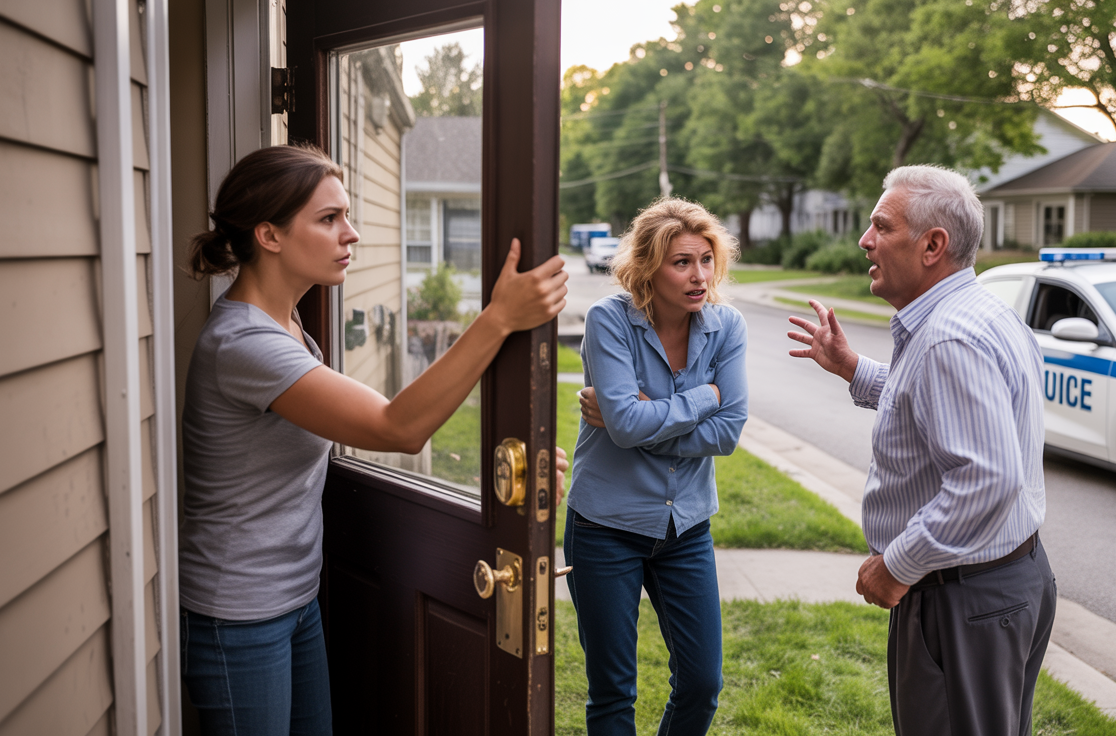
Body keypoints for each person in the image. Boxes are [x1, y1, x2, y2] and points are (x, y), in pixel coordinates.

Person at [180, 144, 569, 735]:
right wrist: (497, 319)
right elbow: (399, 427)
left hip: (293, 597)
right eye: (329, 218)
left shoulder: (285, 326)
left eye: (347, 215)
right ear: (270, 235)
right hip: (237, 613)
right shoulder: (244, 344)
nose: (352, 234)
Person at [787, 165, 1055, 735]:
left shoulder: (947, 337)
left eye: (881, 226)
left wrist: (896, 565)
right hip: (1004, 584)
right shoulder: (977, 315)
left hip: (962, 599)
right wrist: (853, 369)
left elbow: (987, 478)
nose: (865, 240)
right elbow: (933, 406)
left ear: (933, 245)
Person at [569, 198, 748, 735]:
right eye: (681, 262)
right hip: (605, 526)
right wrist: (702, 398)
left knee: (701, 684)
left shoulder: (726, 326)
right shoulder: (609, 320)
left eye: (706, 259)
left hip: (686, 527)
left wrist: (643, 420)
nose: (699, 276)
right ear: (648, 267)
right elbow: (626, 424)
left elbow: (729, 431)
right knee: (612, 693)